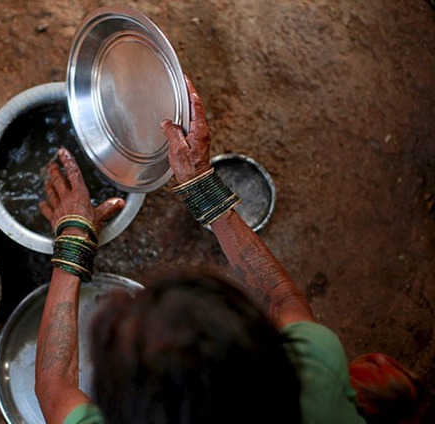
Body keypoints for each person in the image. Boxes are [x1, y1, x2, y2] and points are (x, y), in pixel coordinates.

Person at [34, 79, 418, 424]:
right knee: (382, 384)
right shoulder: (314, 377)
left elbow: (54, 388)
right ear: (267, 350)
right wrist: (201, 184)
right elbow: (282, 299)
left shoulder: (315, 366)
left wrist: (74, 236)